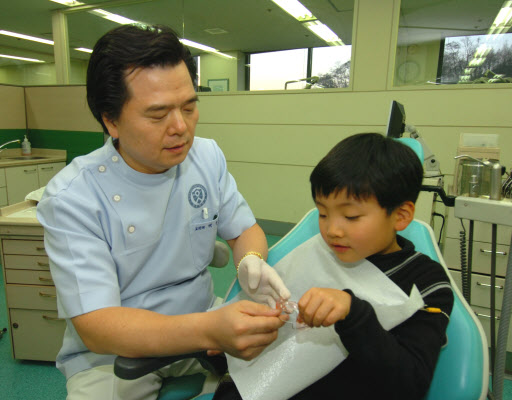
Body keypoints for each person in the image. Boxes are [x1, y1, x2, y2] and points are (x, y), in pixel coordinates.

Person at [36, 24, 290, 400]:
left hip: (205, 323)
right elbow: (99, 325)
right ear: (110, 120)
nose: (181, 128)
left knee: (293, 367)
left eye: (189, 107)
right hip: (111, 355)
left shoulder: (205, 157)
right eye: (158, 115)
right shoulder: (73, 198)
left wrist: (251, 259)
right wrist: (209, 329)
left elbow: (244, 229)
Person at [213, 133, 454, 400]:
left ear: (401, 215)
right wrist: (223, 344)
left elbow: (409, 384)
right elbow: (265, 359)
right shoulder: (315, 253)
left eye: (351, 216)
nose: (332, 230)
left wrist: (354, 314)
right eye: (323, 213)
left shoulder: (424, 282)